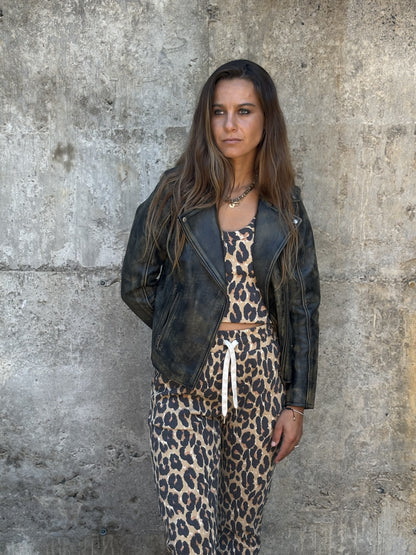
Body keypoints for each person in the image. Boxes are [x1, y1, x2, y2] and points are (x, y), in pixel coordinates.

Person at [121, 59, 320, 555]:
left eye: (244, 111)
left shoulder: (286, 206)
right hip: (184, 383)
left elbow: (302, 309)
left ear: (266, 120)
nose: (230, 124)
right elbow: (136, 283)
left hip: (259, 387)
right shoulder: (175, 194)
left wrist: (295, 404)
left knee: (239, 539)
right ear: (206, 119)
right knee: (192, 540)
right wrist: (187, 328)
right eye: (219, 111)